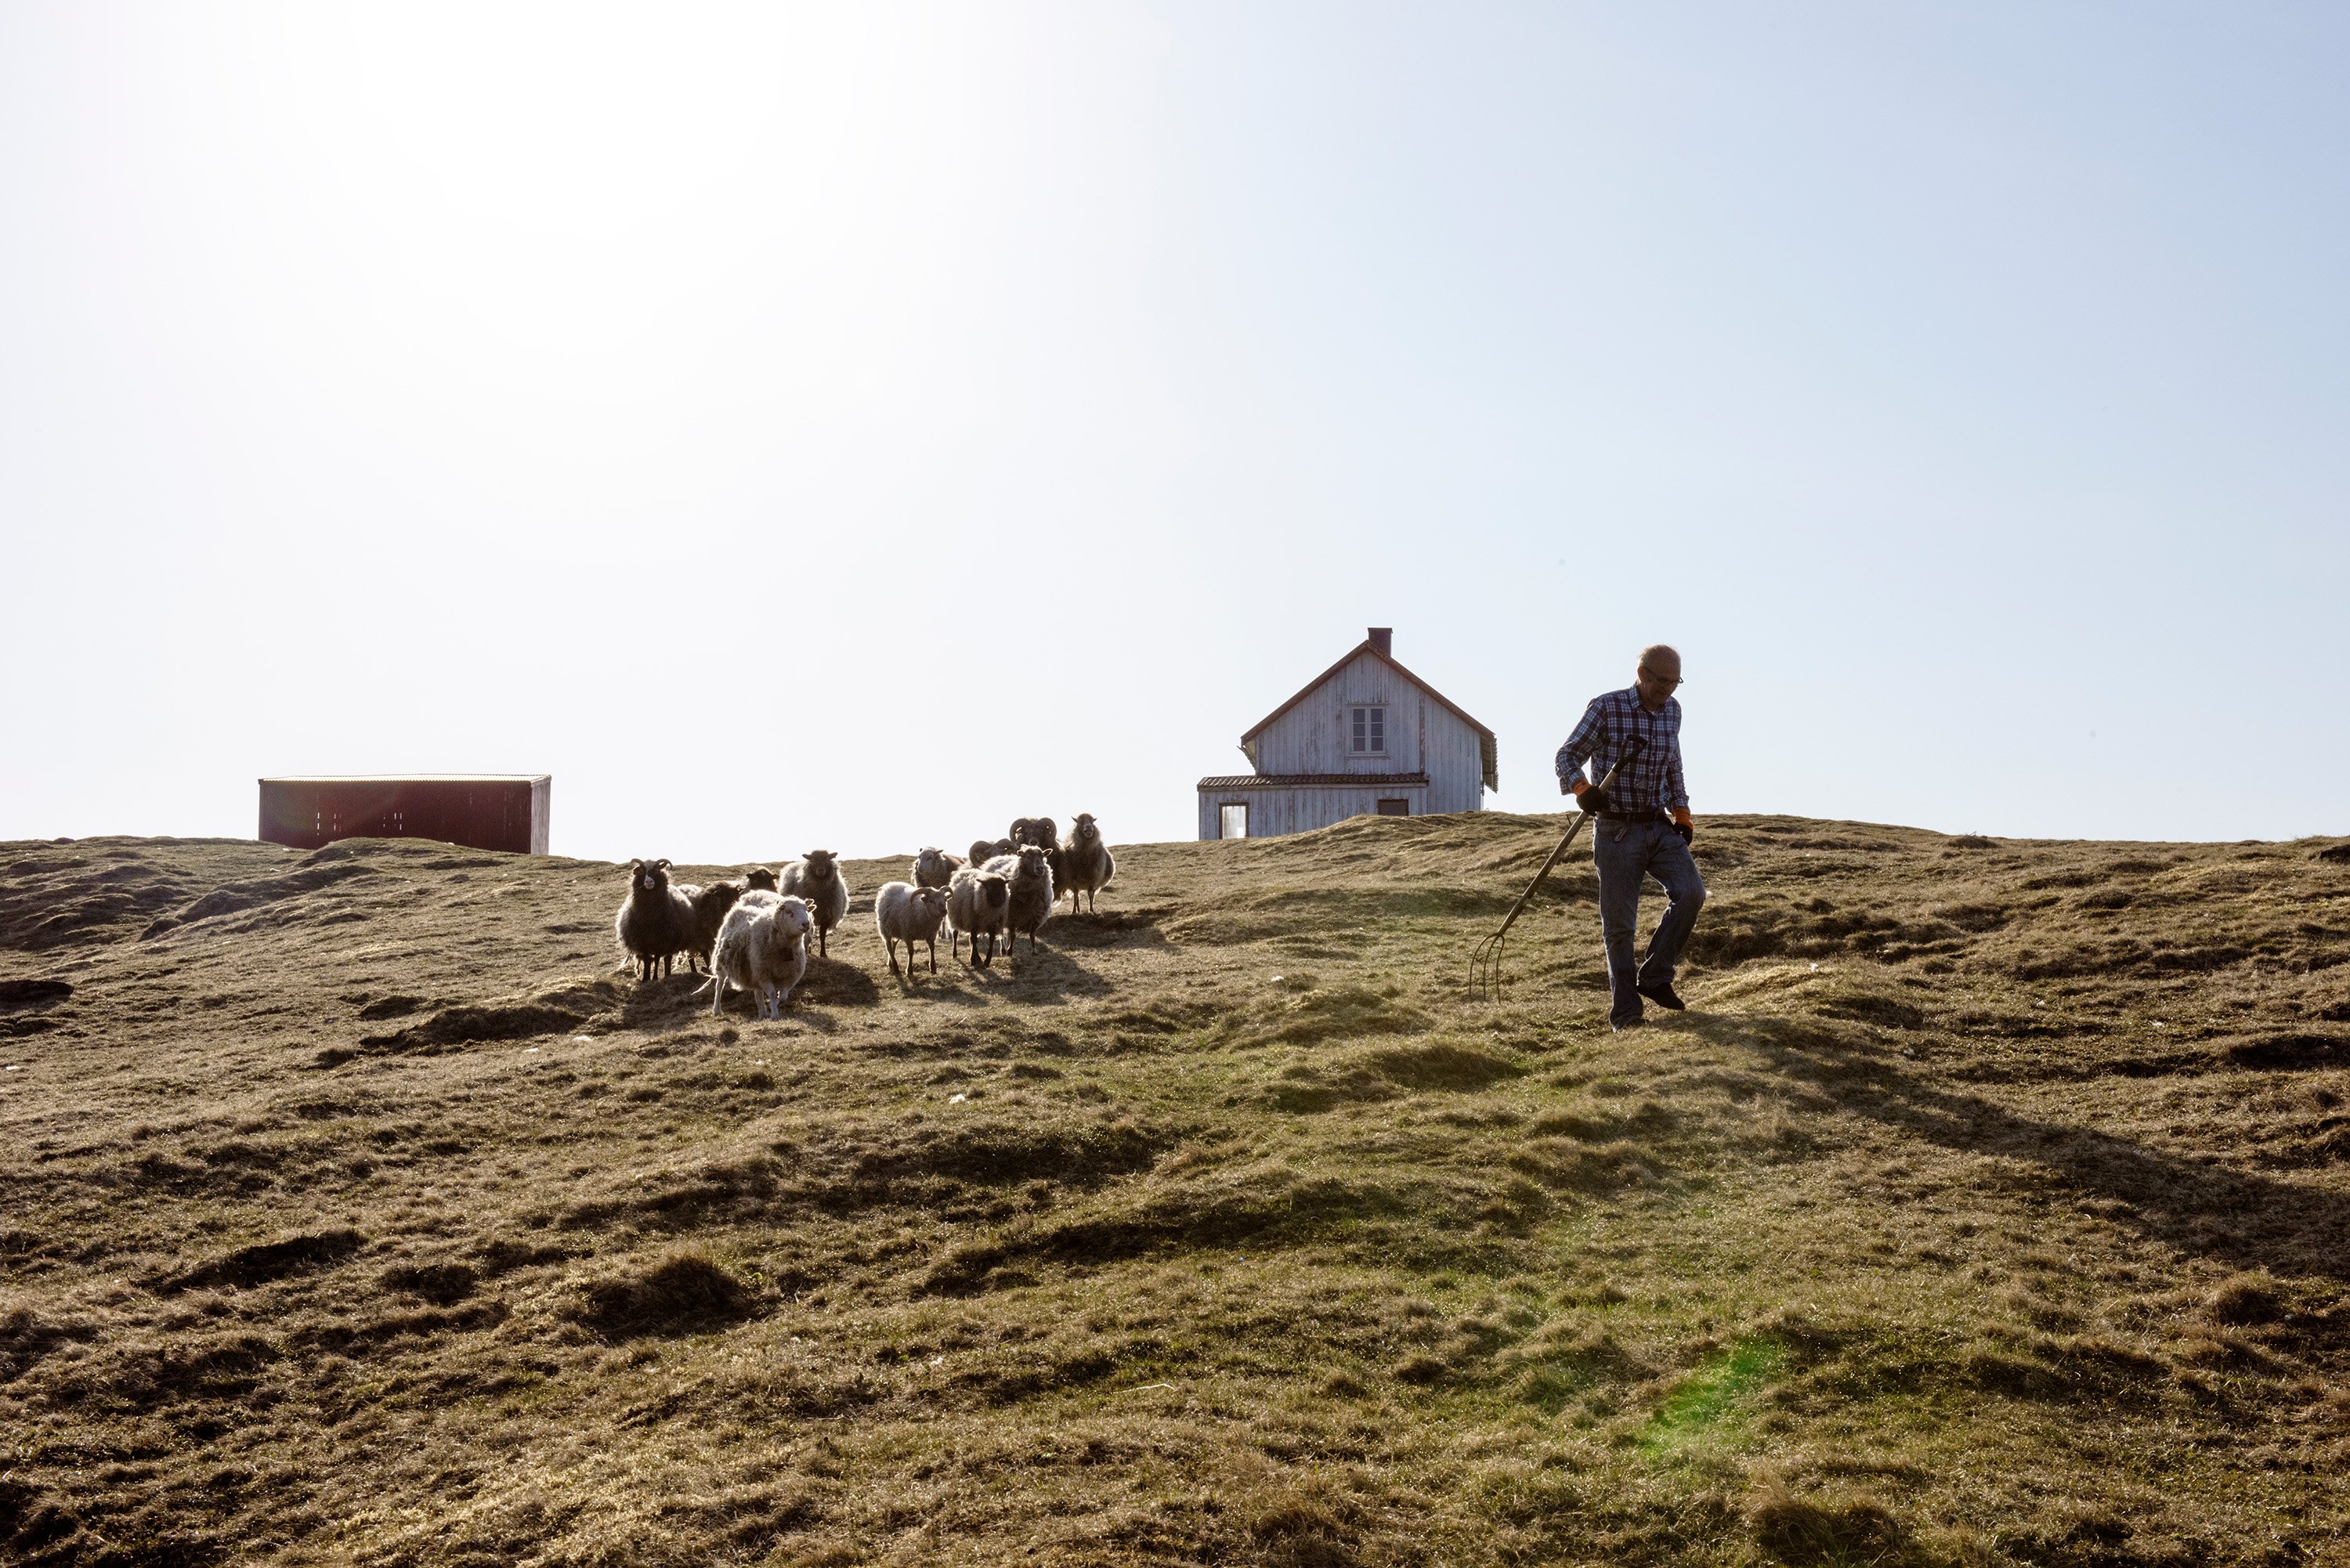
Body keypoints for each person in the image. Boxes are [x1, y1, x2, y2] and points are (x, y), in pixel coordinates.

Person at [1554, 645, 1705, 1032]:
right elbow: (1567, 755)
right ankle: (1626, 1013)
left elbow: (1672, 764)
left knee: (1691, 893)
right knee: (1620, 926)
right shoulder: (1607, 708)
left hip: (1657, 824)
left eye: (1675, 682)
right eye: (1661, 681)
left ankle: (1655, 976)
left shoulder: (1673, 711)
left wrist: (1682, 812)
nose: (1668, 689)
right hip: (1616, 830)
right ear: (1642, 674)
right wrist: (1582, 788)